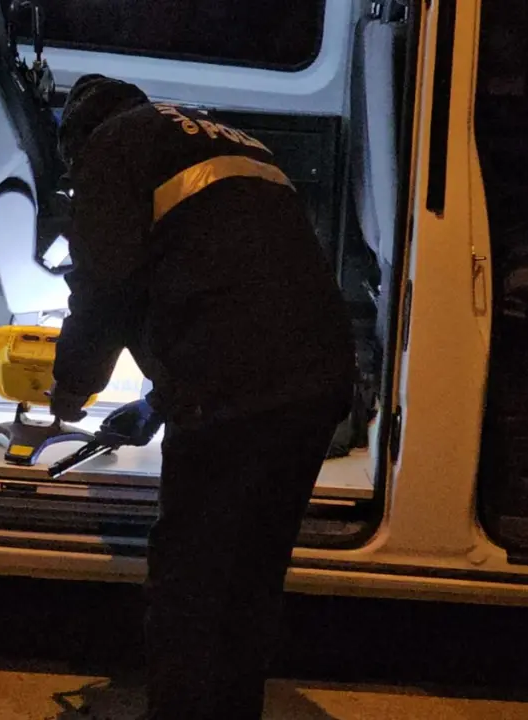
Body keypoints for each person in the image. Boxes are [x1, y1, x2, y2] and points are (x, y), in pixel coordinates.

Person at [47, 74, 358, 719]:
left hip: (232, 385)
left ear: (78, 139)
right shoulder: (230, 139)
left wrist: (73, 385)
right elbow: (229, 275)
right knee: (251, 571)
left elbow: (104, 287)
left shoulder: (109, 146)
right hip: (319, 375)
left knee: (188, 577)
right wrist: (155, 406)